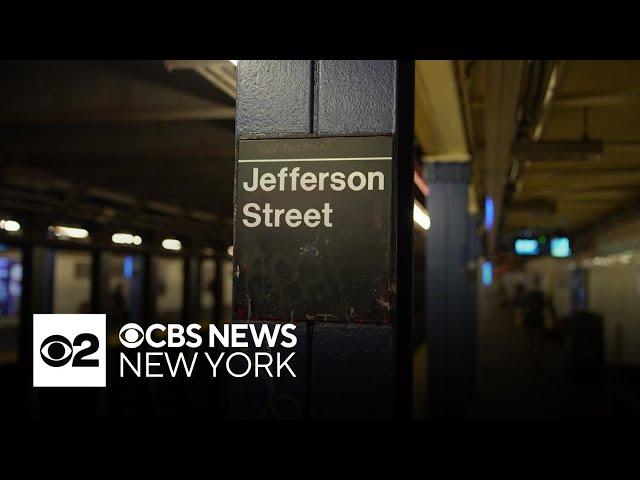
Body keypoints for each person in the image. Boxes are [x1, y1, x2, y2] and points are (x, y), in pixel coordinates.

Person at [524, 275, 556, 371]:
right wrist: (555, 318)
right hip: (538, 318)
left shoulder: (528, 294)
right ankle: (536, 362)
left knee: (531, 341)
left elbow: (523, 304)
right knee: (539, 341)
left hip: (530, 318)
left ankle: (531, 362)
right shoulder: (543, 294)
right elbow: (549, 306)